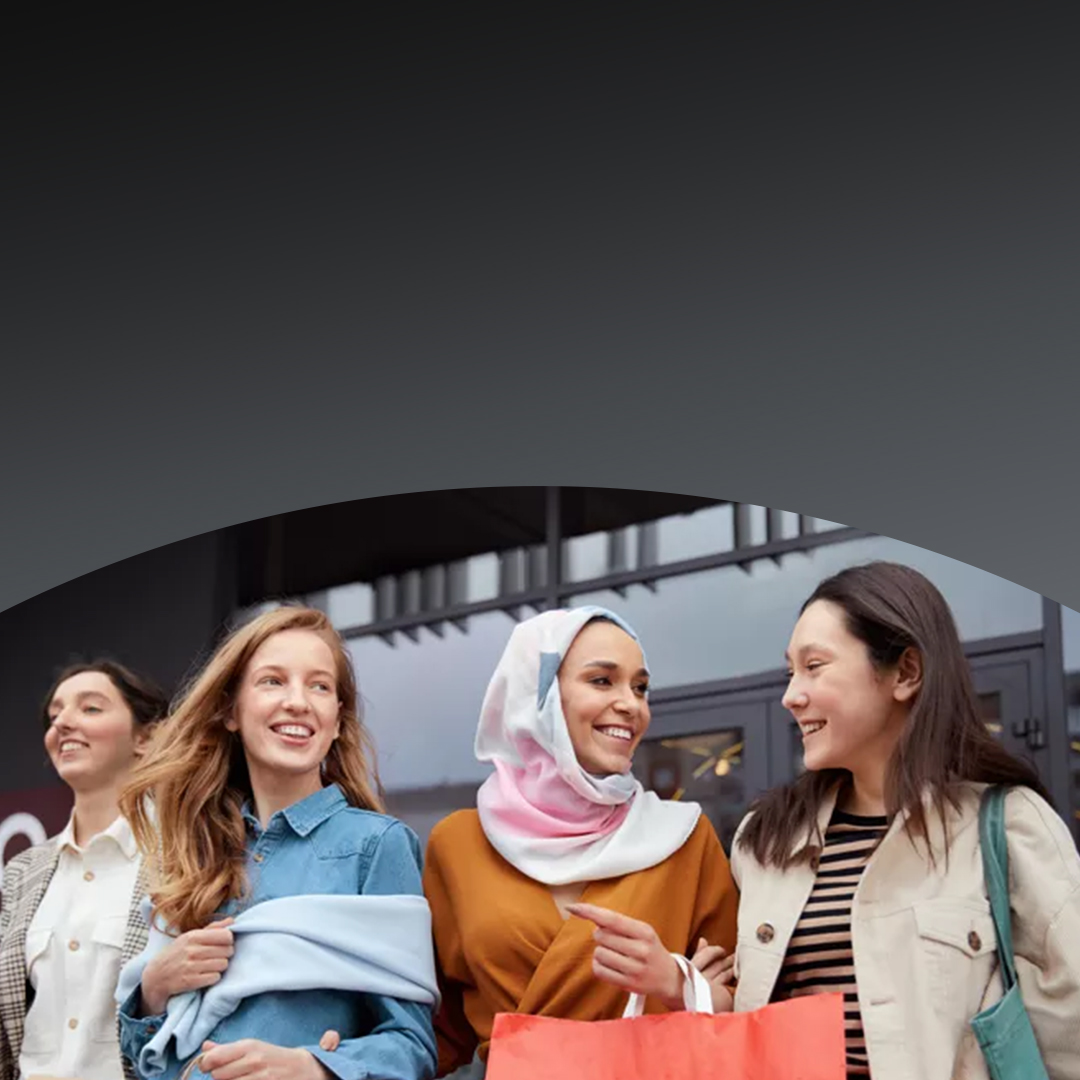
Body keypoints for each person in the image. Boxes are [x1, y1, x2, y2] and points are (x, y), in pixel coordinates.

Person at [624, 561, 1079, 1079]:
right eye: (790, 671)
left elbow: (1069, 1035)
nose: (791, 695)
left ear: (905, 673)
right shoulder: (765, 842)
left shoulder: (1006, 826)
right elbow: (747, 1022)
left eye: (814, 667)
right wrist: (686, 983)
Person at [114, 605, 439, 1080]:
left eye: (320, 686)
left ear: (336, 719)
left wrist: (315, 1066)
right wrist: (155, 989)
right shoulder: (194, 850)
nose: (298, 701)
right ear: (230, 710)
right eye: (273, 681)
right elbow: (143, 1059)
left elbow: (414, 1047)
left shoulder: (377, 846)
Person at [422, 606, 739, 1078]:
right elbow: (437, 1035)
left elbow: (742, 1005)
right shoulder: (460, 845)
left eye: (641, 687)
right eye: (602, 681)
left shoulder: (684, 839)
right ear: (540, 693)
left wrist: (676, 982)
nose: (632, 704)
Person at [0, 659, 168, 1080]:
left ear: (145, 737)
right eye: (55, 717)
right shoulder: (21, 873)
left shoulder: (185, 858)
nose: (63, 725)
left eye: (90, 708)